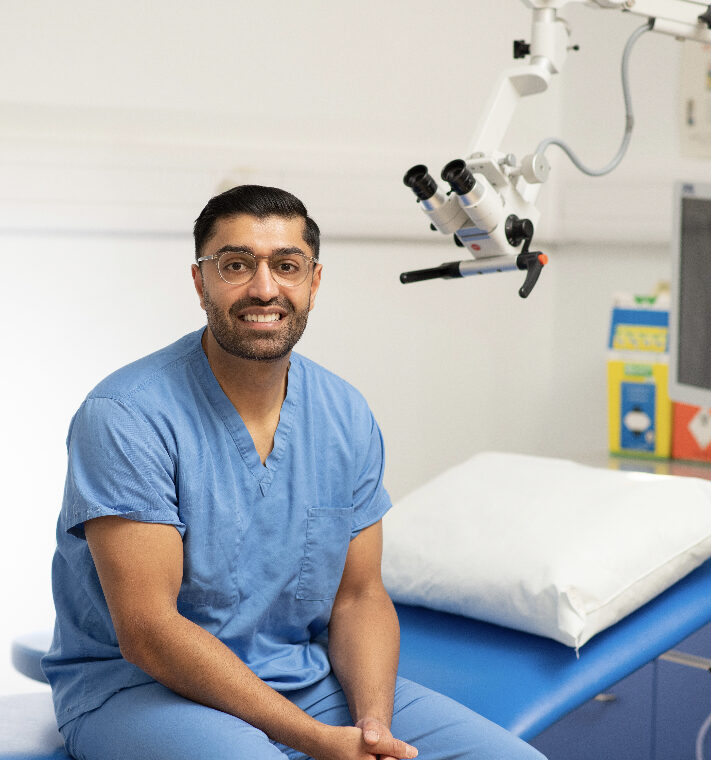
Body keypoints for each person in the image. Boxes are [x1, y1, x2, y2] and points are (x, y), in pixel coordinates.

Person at [43, 185, 545, 760]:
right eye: (236, 265)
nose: (264, 288)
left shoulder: (344, 413)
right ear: (200, 280)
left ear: (314, 281)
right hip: (143, 693)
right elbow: (148, 631)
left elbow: (359, 597)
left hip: (306, 685)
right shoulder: (127, 416)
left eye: (287, 266)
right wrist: (312, 741)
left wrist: (373, 729)